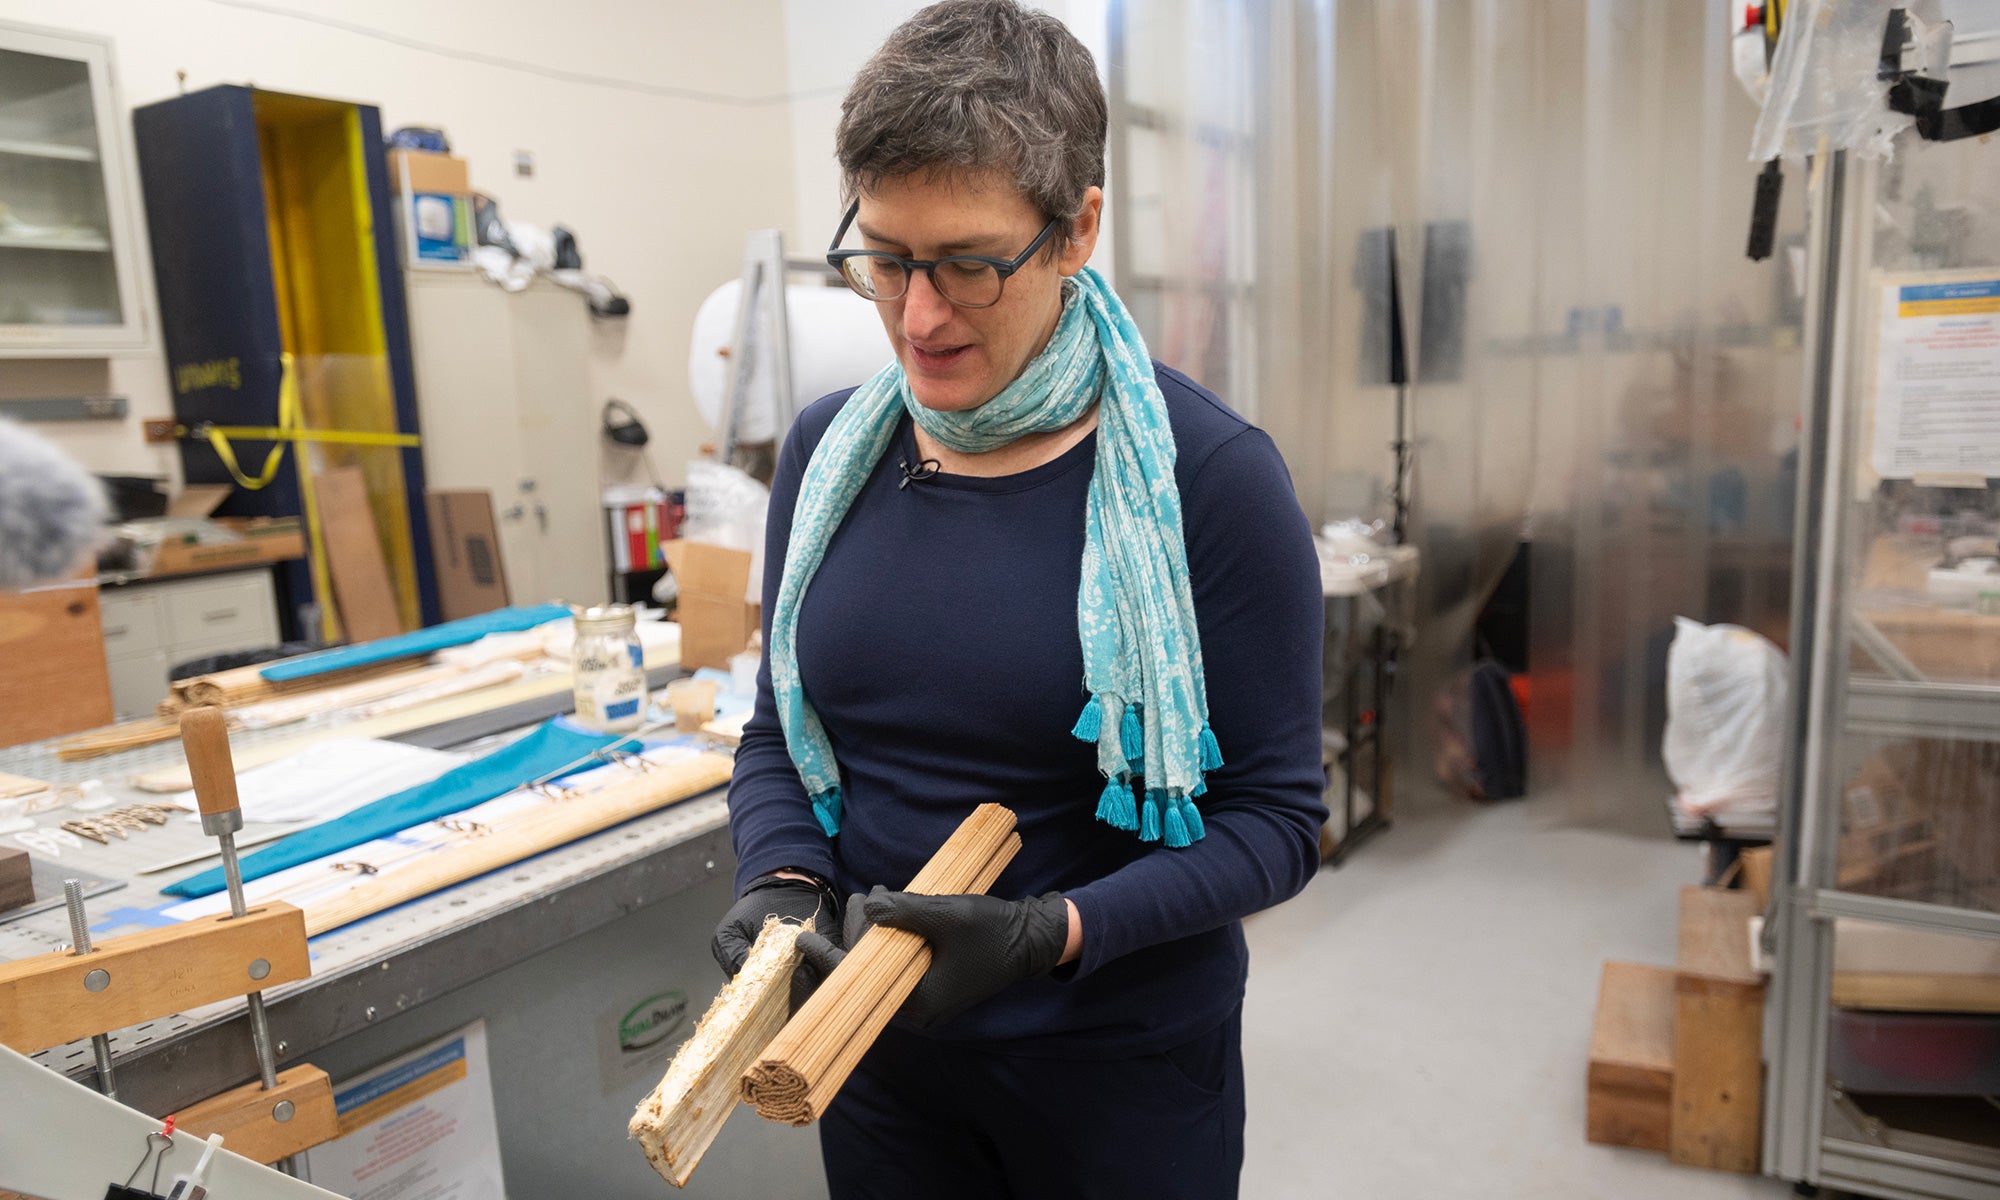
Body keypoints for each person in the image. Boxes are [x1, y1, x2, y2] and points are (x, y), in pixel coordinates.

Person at [711, 3, 1325, 1196]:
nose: (919, 315)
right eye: (884, 259)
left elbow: (1274, 822)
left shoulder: (1207, 479)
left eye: (969, 265)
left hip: (1114, 1070)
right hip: (875, 1062)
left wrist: (1054, 933)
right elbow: (776, 737)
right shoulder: (826, 454)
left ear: (1074, 230)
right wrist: (779, 881)